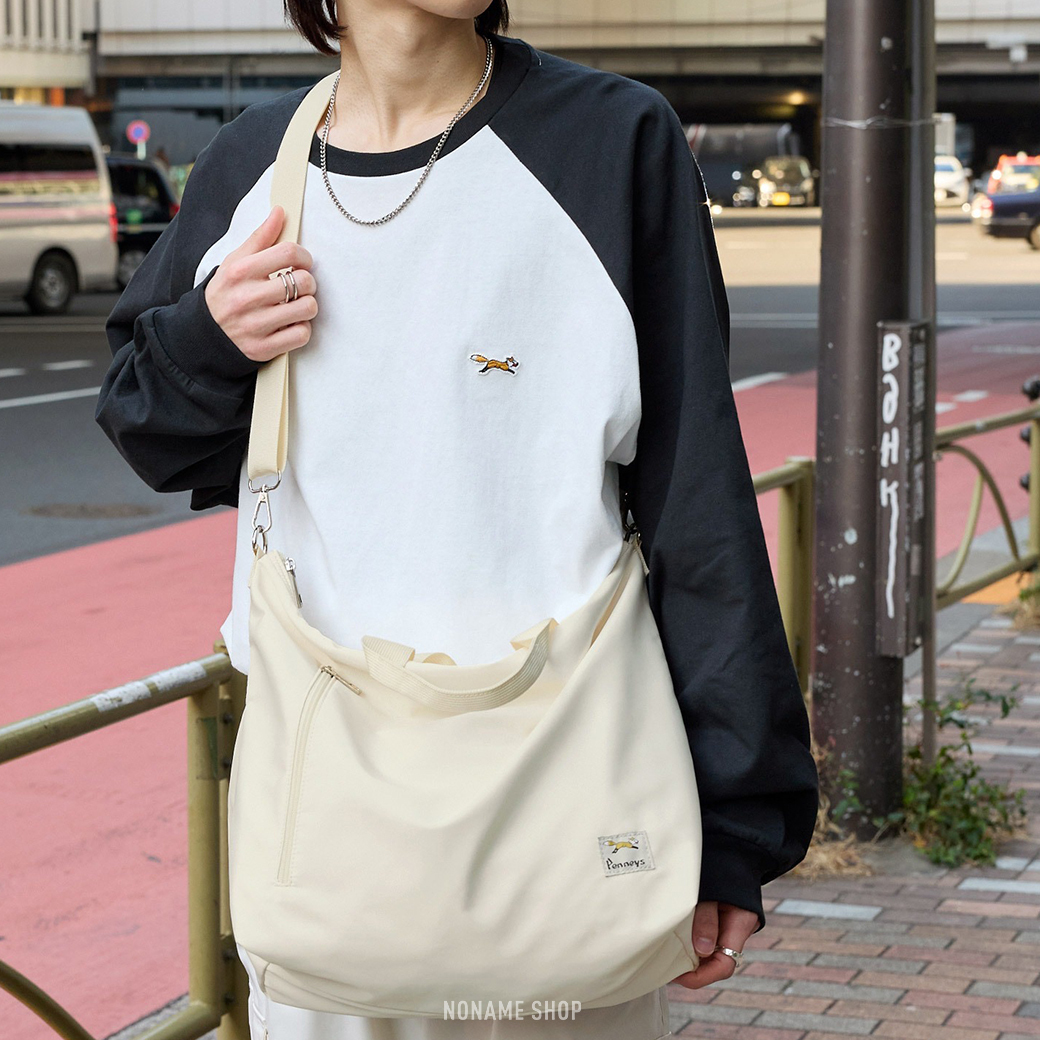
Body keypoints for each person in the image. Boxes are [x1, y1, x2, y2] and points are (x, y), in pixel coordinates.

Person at [95, 2, 820, 1038]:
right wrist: (211, 339)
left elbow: (692, 494)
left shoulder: (613, 140)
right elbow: (149, 427)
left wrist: (735, 823)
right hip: (332, 803)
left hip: (567, 779)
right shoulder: (256, 162)